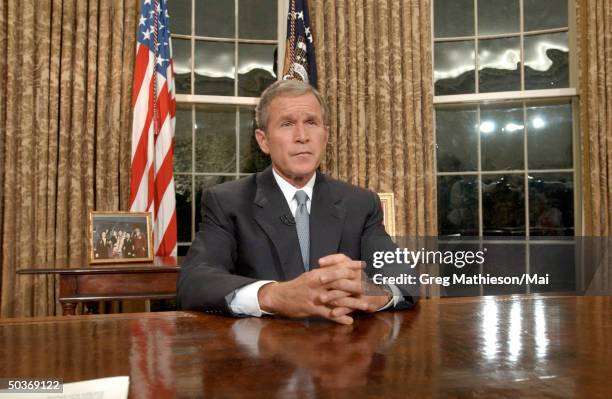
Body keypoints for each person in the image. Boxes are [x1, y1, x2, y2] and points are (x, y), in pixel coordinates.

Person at [177, 80, 417, 325]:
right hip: (264, 352)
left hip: (342, 350)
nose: (302, 137)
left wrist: (375, 294)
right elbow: (195, 281)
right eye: (287, 124)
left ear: (325, 136)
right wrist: (273, 296)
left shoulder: (361, 203)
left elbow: (406, 278)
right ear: (263, 141)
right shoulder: (227, 202)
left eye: (311, 123)